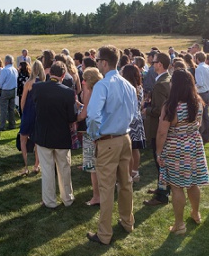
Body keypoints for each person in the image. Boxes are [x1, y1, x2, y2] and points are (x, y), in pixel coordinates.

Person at [82, 46, 139, 244]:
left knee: (106, 189)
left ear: (104, 63)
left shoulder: (103, 85)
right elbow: (134, 114)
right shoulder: (128, 85)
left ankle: (104, 234)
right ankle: (127, 222)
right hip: (125, 138)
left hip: (108, 140)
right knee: (126, 184)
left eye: (97, 60)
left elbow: (93, 115)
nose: (96, 63)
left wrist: (95, 135)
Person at [155, 70, 209, 235]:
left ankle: (179, 225)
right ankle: (195, 213)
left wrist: (158, 153)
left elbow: (162, 132)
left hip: (176, 146)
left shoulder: (171, 106)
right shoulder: (198, 101)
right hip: (194, 144)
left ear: (175, 85)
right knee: (193, 182)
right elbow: (199, 124)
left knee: (177, 186)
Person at [31, 62, 77, 208]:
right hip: (61, 136)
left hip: (44, 135)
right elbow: (72, 117)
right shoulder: (68, 92)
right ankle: (67, 199)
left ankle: (49, 201)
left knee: (47, 170)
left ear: (50, 73)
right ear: (63, 75)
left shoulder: (38, 88)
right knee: (64, 169)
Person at [143, 53, 173, 206]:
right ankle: (163, 188)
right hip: (160, 126)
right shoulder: (165, 79)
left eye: (154, 62)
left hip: (157, 126)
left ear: (159, 64)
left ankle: (162, 195)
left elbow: (160, 109)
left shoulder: (161, 83)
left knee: (159, 161)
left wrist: (147, 110)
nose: (152, 64)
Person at [76, 67, 103, 206]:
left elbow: (85, 113)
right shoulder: (103, 88)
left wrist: (75, 118)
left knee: (93, 167)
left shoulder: (90, 91)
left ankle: (96, 196)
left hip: (92, 132)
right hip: (104, 130)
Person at [18, 60, 44, 176]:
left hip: (28, 112)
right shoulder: (43, 82)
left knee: (23, 139)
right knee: (37, 141)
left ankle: (26, 165)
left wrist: (23, 112)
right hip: (38, 114)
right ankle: (36, 165)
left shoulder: (29, 82)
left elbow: (23, 100)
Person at [120, 65, 146, 182]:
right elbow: (141, 104)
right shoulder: (139, 88)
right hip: (137, 119)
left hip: (129, 120)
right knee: (135, 148)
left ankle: (129, 172)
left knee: (129, 149)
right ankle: (135, 171)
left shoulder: (127, 88)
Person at [194, 52, 209, 143]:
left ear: (197, 59)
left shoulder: (199, 68)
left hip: (201, 93)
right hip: (207, 93)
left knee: (199, 115)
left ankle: (200, 135)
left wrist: (192, 86)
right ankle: (206, 136)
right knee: (206, 115)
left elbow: (200, 83)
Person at [0, 55, 19, 131]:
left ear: (6, 62)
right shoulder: (15, 70)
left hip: (5, 91)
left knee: (3, 109)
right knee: (11, 109)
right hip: (13, 90)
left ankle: (2, 126)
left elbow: (0, 82)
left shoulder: (4, 70)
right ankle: (12, 124)